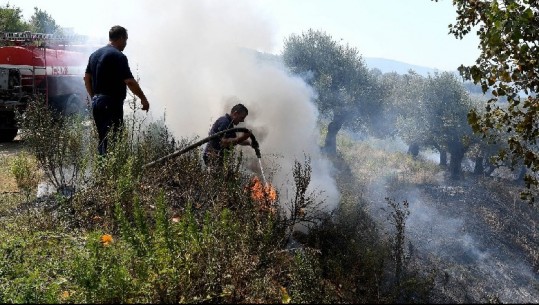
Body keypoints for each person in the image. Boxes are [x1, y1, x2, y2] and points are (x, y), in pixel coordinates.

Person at [84, 25, 150, 155]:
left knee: (103, 138)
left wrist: (94, 97)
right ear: (120, 38)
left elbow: (86, 79)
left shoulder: (94, 55)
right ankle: (111, 172)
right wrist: (143, 99)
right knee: (114, 140)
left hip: (97, 103)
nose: (125, 44)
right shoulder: (118, 56)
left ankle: (102, 169)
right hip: (111, 103)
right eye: (125, 40)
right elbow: (129, 81)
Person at [203, 103, 252, 172]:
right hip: (212, 157)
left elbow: (236, 140)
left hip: (219, 158)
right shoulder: (225, 122)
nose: (242, 120)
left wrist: (250, 143)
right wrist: (243, 137)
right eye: (242, 117)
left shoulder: (229, 124)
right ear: (235, 114)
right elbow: (224, 142)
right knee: (218, 179)